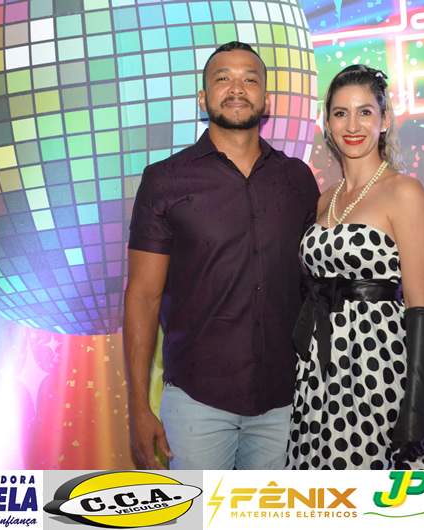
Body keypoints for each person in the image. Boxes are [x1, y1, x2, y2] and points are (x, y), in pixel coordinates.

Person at [124, 42, 319, 470]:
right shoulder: (164, 181)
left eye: (250, 79)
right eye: (223, 78)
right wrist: (138, 406)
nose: (237, 88)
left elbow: (316, 286)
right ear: (203, 97)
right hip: (197, 404)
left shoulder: (297, 180)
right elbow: (142, 296)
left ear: (265, 99)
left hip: (285, 403)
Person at [286, 65, 424, 469]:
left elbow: (419, 306)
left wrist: (415, 406)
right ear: (328, 124)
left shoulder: (404, 191)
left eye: (365, 112)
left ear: (385, 120)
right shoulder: (324, 199)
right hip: (320, 374)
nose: (352, 125)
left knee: (379, 490)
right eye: (340, 113)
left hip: (380, 370)